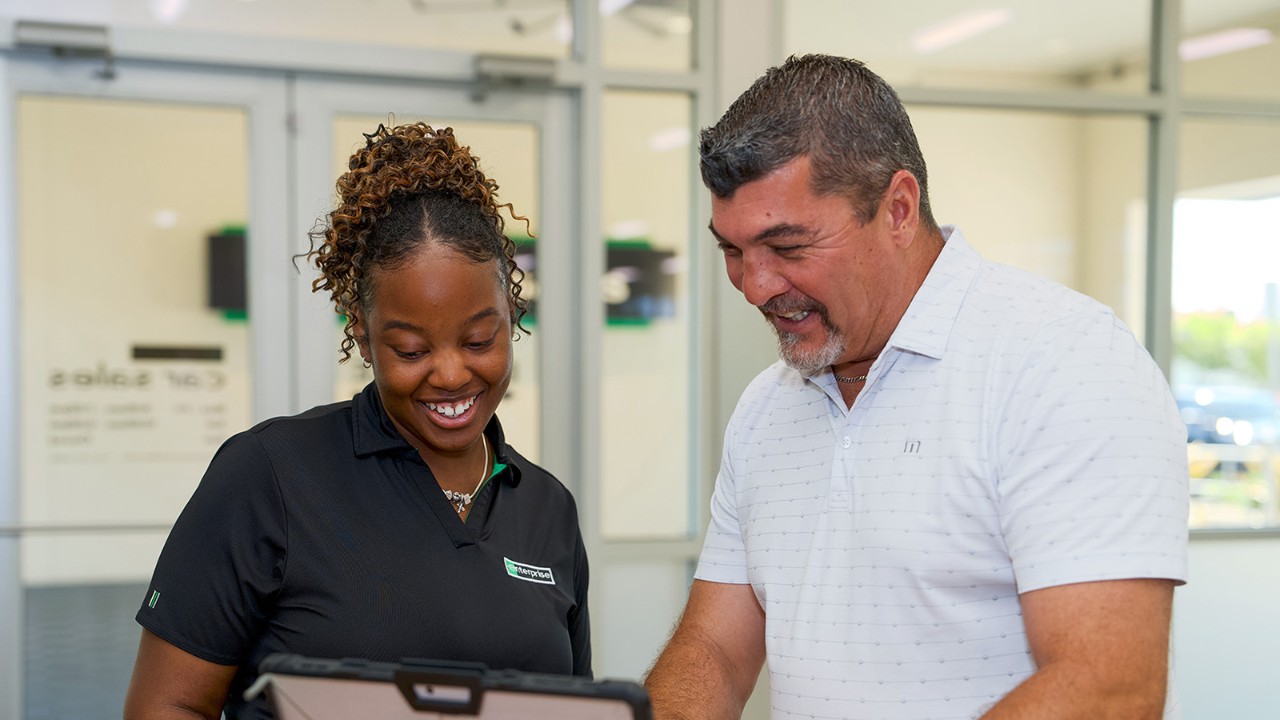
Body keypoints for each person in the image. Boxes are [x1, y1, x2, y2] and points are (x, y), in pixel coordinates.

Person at [643, 54, 1189, 720]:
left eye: (786, 247)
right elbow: (715, 651)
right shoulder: (767, 406)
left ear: (899, 209)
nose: (754, 286)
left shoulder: (1063, 361)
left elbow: (1108, 687)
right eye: (732, 251)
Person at [124, 122, 591, 720]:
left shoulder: (548, 509)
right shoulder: (271, 477)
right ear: (362, 337)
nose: (450, 375)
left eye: (479, 340)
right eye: (411, 350)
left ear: (513, 316)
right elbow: (167, 707)